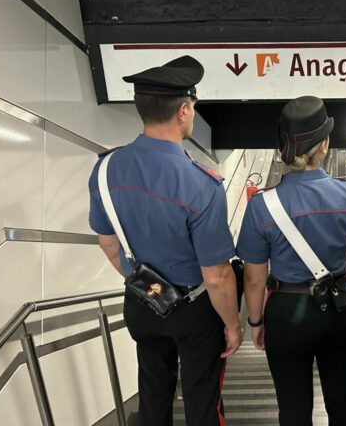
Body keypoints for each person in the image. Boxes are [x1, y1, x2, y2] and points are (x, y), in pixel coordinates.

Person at [88, 56, 242, 426]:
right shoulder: (201, 184)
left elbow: (108, 245)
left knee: (154, 393)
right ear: (185, 110)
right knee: (201, 400)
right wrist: (233, 325)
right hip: (193, 312)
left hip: (143, 303)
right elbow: (217, 276)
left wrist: (146, 285)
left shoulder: (106, 169)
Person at [237, 96, 346, 426]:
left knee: (293, 404)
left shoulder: (262, 206)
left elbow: (254, 279)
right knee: (342, 395)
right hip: (340, 309)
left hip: (287, 312)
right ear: (324, 145)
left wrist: (256, 323)